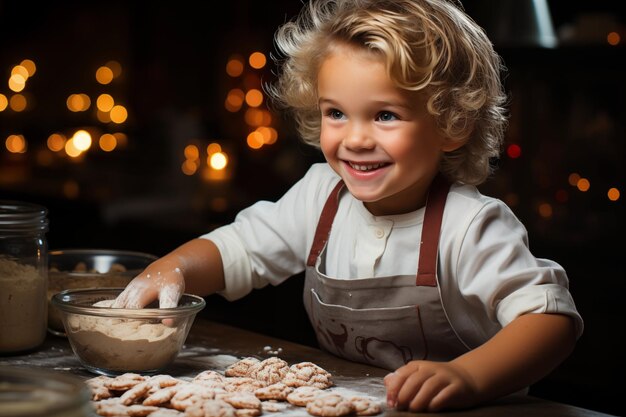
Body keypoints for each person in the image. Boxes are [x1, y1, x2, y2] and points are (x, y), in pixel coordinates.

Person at [114, 0, 583, 412]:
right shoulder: (321, 195)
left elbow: (550, 322)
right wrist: (174, 269)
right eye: (336, 112)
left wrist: (469, 377)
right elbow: (239, 249)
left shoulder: (470, 225)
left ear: (451, 124)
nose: (356, 139)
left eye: (385, 115)